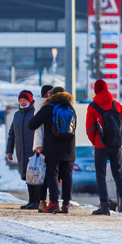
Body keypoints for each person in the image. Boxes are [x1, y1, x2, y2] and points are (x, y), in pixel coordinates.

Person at [28, 85, 77, 214]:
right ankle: (66, 204)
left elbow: (32, 124)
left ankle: (54, 203)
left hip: (53, 148)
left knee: (52, 175)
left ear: (52, 96)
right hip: (69, 149)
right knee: (67, 176)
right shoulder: (71, 108)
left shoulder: (48, 108)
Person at [85, 78, 122, 215]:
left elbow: (90, 129)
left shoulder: (93, 107)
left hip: (101, 146)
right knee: (118, 173)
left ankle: (104, 206)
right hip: (116, 145)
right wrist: (118, 138)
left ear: (96, 90)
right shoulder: (116, 105)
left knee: (101, 175)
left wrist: (97, 141)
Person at [4, 90, 38, 210]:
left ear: (30, 100)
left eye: (25, 100)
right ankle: (31, 201)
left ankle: (37, 201)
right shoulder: (17, 115)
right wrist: (9, 151)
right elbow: (11, 134)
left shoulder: (35, 113)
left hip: (34, 151)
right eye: (20, 101)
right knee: (27, 176)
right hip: (21, 151)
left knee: (35, 175)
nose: (22, 103)